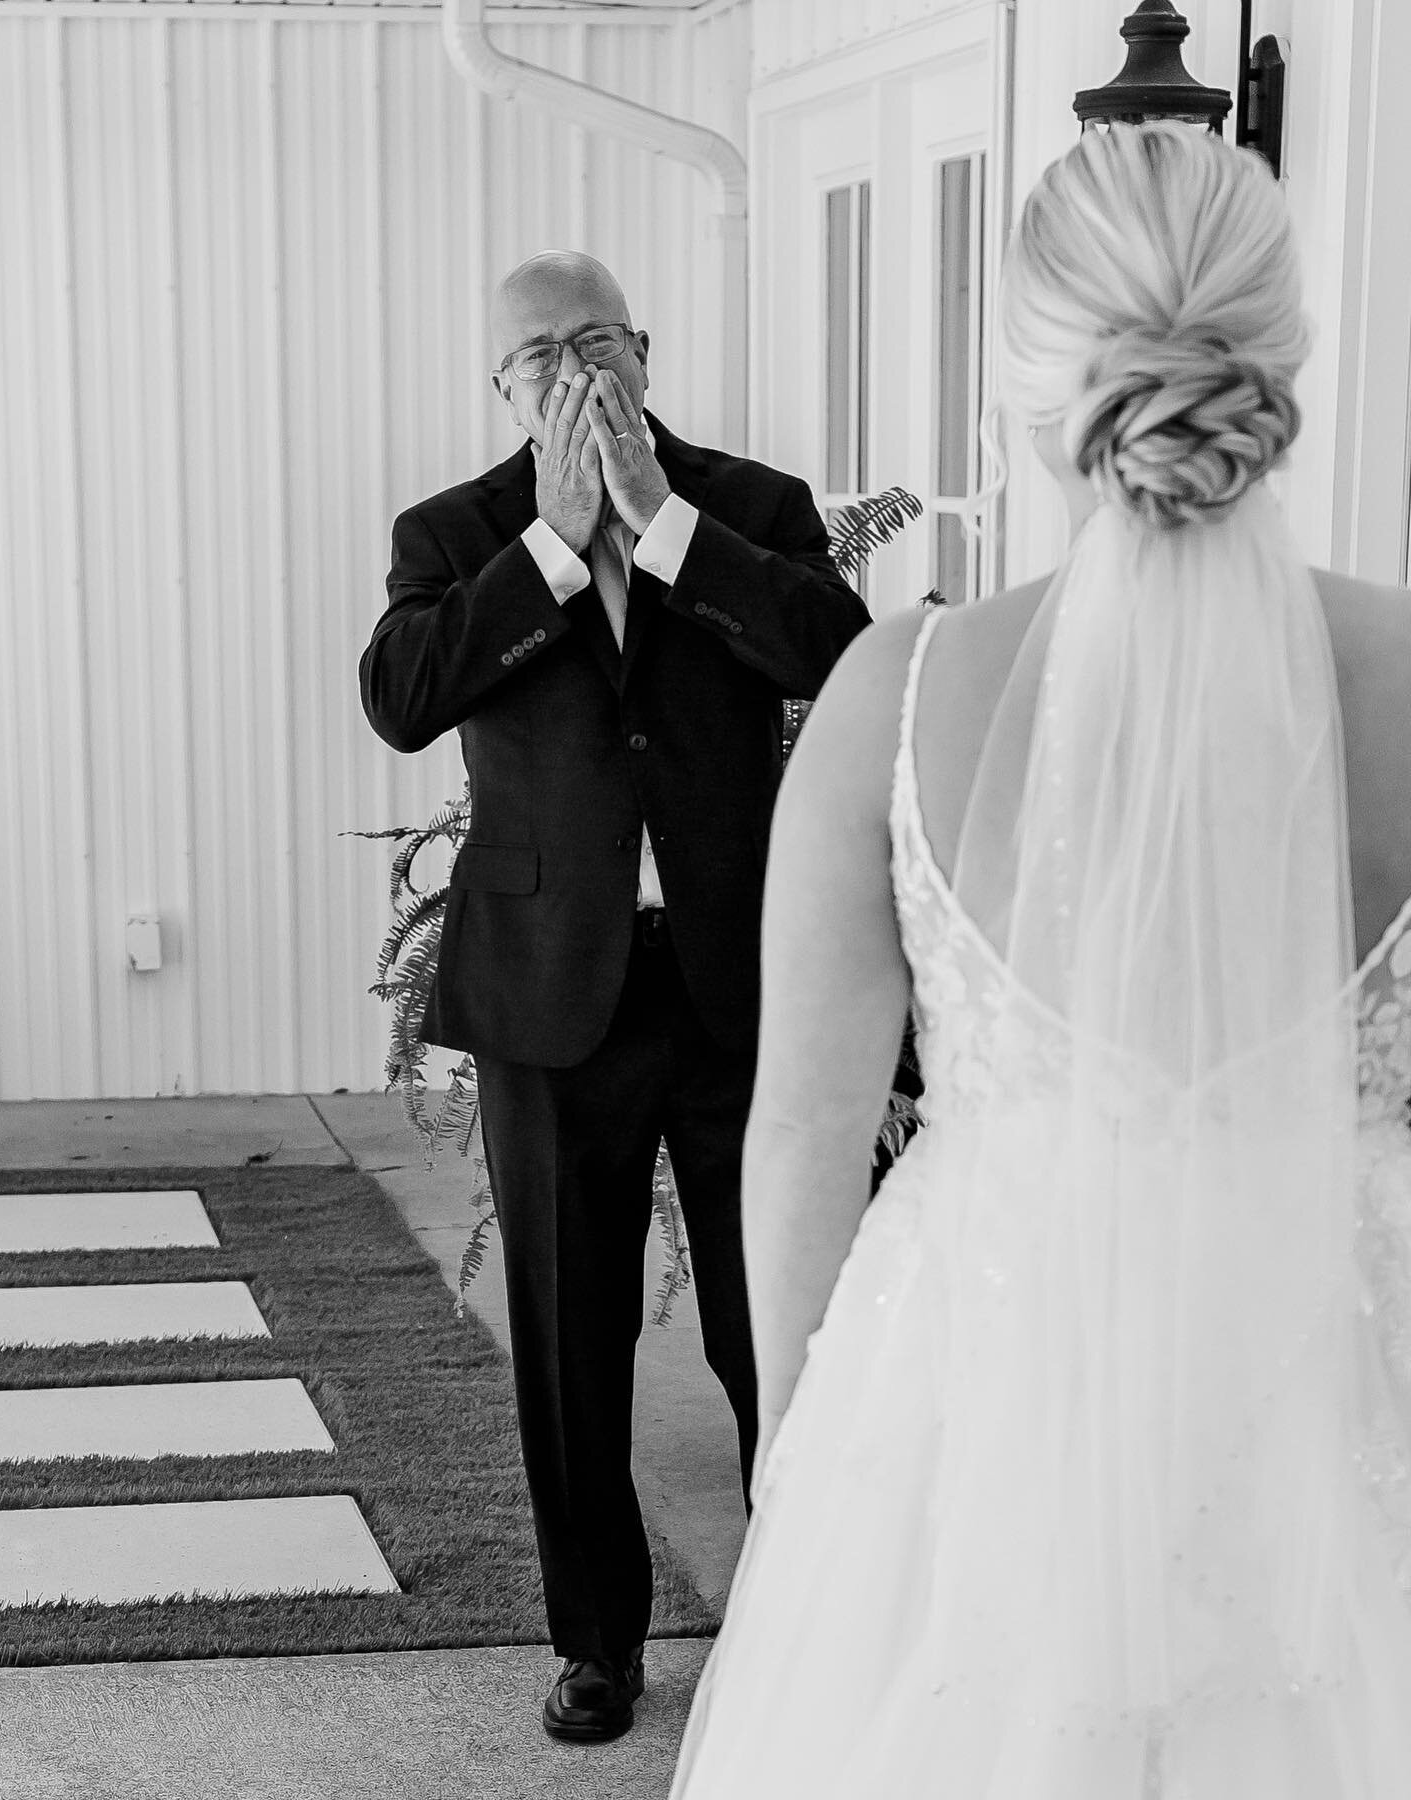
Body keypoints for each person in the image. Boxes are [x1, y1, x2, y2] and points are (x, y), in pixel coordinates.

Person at [670, 124, 1411, 1797]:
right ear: (1279, 355)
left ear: (1031, 381)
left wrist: (804, 1441)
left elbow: (798, 1128)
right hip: (1344, 1389)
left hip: (980, 1408)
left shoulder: (899, 694)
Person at [359, 250, 870, 1743]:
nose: (574, 371)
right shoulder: (452, 534)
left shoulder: (754, 508)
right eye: (540, 354)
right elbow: (401, 696)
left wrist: (661, 525)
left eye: (596, 340)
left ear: (645, 351)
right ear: (500, 386)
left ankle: (802, 1610)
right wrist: (558, 542)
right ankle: (596, 1645)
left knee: (773, 1324)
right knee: (573, 1344)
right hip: (549, 995)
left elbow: (833, 653)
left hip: (737, 989)